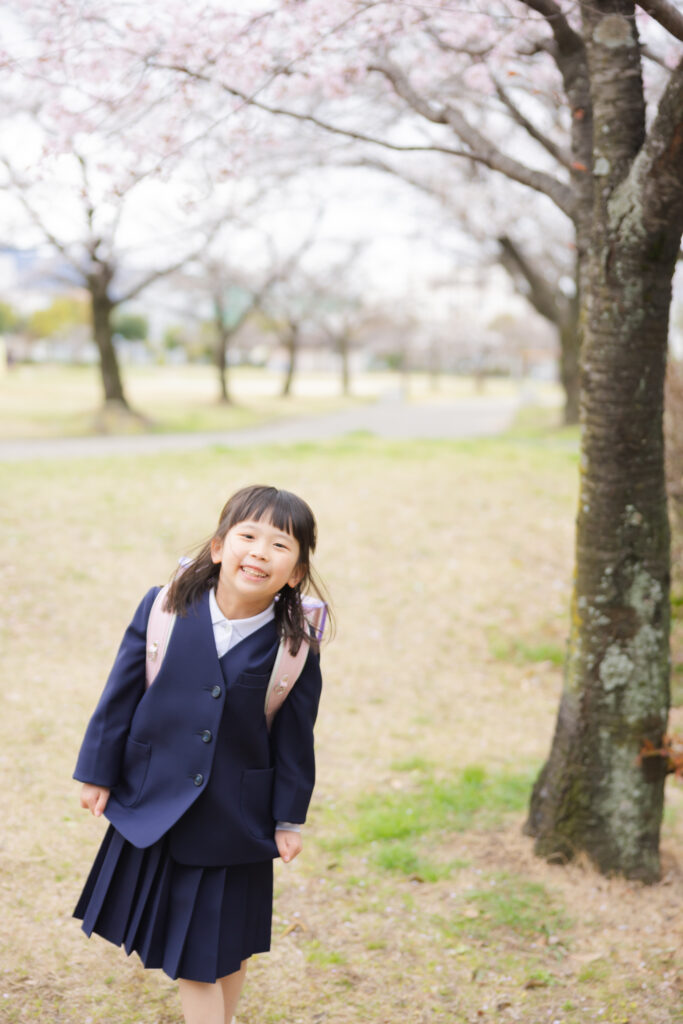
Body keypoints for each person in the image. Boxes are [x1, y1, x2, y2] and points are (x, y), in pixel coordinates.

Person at [73, 484, 327, 1024]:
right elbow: (120, 695)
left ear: (297, 573)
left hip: (236, 820)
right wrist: (97, 772)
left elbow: (295, 739)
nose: (260, 552)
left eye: (280, 545)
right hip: (158, 802)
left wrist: (288, 819)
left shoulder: (295, 646)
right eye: (248, 536)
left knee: (220, 952)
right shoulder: (164, 608)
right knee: (203, 959)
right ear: (218, 547)